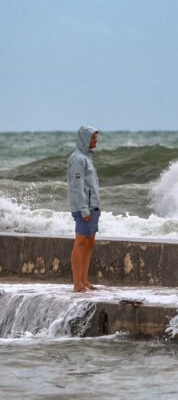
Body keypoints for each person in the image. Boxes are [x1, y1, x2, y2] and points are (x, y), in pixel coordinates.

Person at [67, 125, 101, 292]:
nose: (95, 140)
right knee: (80, 243)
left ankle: (85, 280)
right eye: (92, 138)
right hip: (83, 208)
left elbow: (91, 185)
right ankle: (77, 283)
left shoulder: (87, 157)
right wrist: (84, 209)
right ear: (84, 139)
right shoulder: (77, 159)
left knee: (89, 243)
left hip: (92, 206)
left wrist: (96, 207)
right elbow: (77, 186)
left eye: (95, 137)